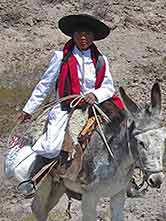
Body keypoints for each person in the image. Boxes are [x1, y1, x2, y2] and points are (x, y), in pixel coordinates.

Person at [17, 14, 116, 197]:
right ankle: (34, 179)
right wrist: (28, 109)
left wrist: (95, 94)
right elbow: (45, 85)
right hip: (65, 106)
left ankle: (128, 179)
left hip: (93, 106)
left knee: (122, 134)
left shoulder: (101, 60)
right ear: (73, 35)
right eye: (79, 33)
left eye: (87, 34)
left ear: (93, 36)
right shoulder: (60, 56)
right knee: (52, 143)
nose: (83, 37)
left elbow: (108, 86)